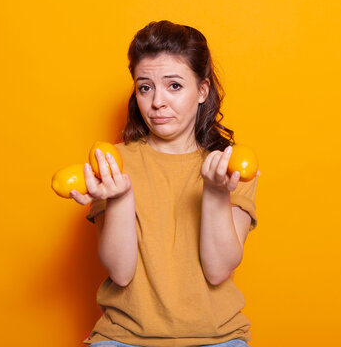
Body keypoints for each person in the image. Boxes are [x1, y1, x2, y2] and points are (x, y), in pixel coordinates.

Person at [70, 20, 260, 347]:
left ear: (202, 90)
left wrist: (215, 192)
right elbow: (121, 272)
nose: (157, 102)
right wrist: (120, 198)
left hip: (217, 339)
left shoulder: (230, 166)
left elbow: (218, 271)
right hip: (123, 339)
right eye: (145, 87)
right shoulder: (112, 163)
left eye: (174, 86)